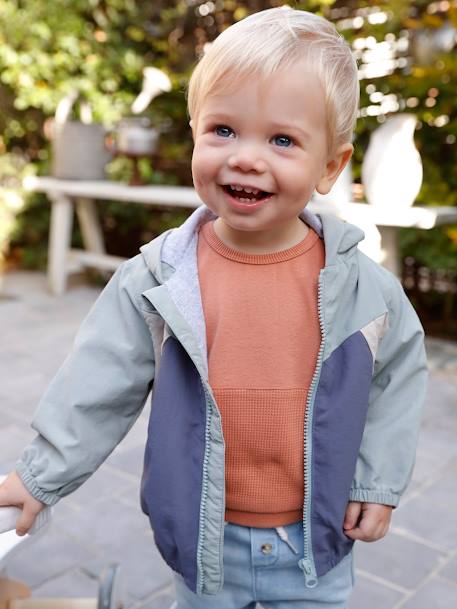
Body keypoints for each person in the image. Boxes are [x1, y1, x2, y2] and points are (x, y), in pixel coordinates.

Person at [0, 7, 428, 609]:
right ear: (195, 130)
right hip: (205, 544)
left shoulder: (362, 288)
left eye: (282, 139)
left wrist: (376, 484)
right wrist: (39, 477)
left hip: (317, 544)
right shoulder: (158, 278)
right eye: (224, 130)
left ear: (330, 166)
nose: (246, 157)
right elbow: (96, 384)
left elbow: (398, 380)